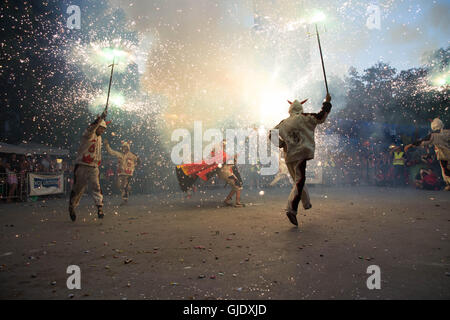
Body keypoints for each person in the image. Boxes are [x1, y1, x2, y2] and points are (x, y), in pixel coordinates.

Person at [269, 94, 332, 226]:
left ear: (290, 109)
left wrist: (281, 144)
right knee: (300, 181)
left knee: (298, 180)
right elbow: (321, 117)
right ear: (300, 108)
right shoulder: (305, 117)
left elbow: (271, 134)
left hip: (289, 155)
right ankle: (291, 209)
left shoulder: (283, 122)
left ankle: (306, 203)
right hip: (301, 153)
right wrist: (327, 102)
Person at [68, 111, 109, 221]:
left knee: (96, 187)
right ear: (97, 127)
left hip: (94, 167)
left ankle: (99, 207)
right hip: (82, 165)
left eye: (104, 129)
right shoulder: (88, 134)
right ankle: (72, 206)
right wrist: (100, 119)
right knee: (78, 189)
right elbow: (91, 128)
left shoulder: (99, 138)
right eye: (101, 128)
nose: (102, 131)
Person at [405, 118, 450, 191]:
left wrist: (410, 145)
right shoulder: (447, 132)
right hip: (445, 155)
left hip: (444, 156)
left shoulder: (434, 135)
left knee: (446, 172)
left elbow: (422, 141)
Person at [104, 139, 140, 205]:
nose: (124, 149)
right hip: (120, 173)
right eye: (123, 147)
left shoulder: (132, 155)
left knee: (124, 186)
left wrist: (134, 166)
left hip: (128, 173)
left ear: (128, 148)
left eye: (126, 147)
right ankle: (128, 189)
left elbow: (138, 161)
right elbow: (111, 152)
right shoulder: (119, 154)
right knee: (119, 185)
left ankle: (125, 199)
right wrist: (107, 145)